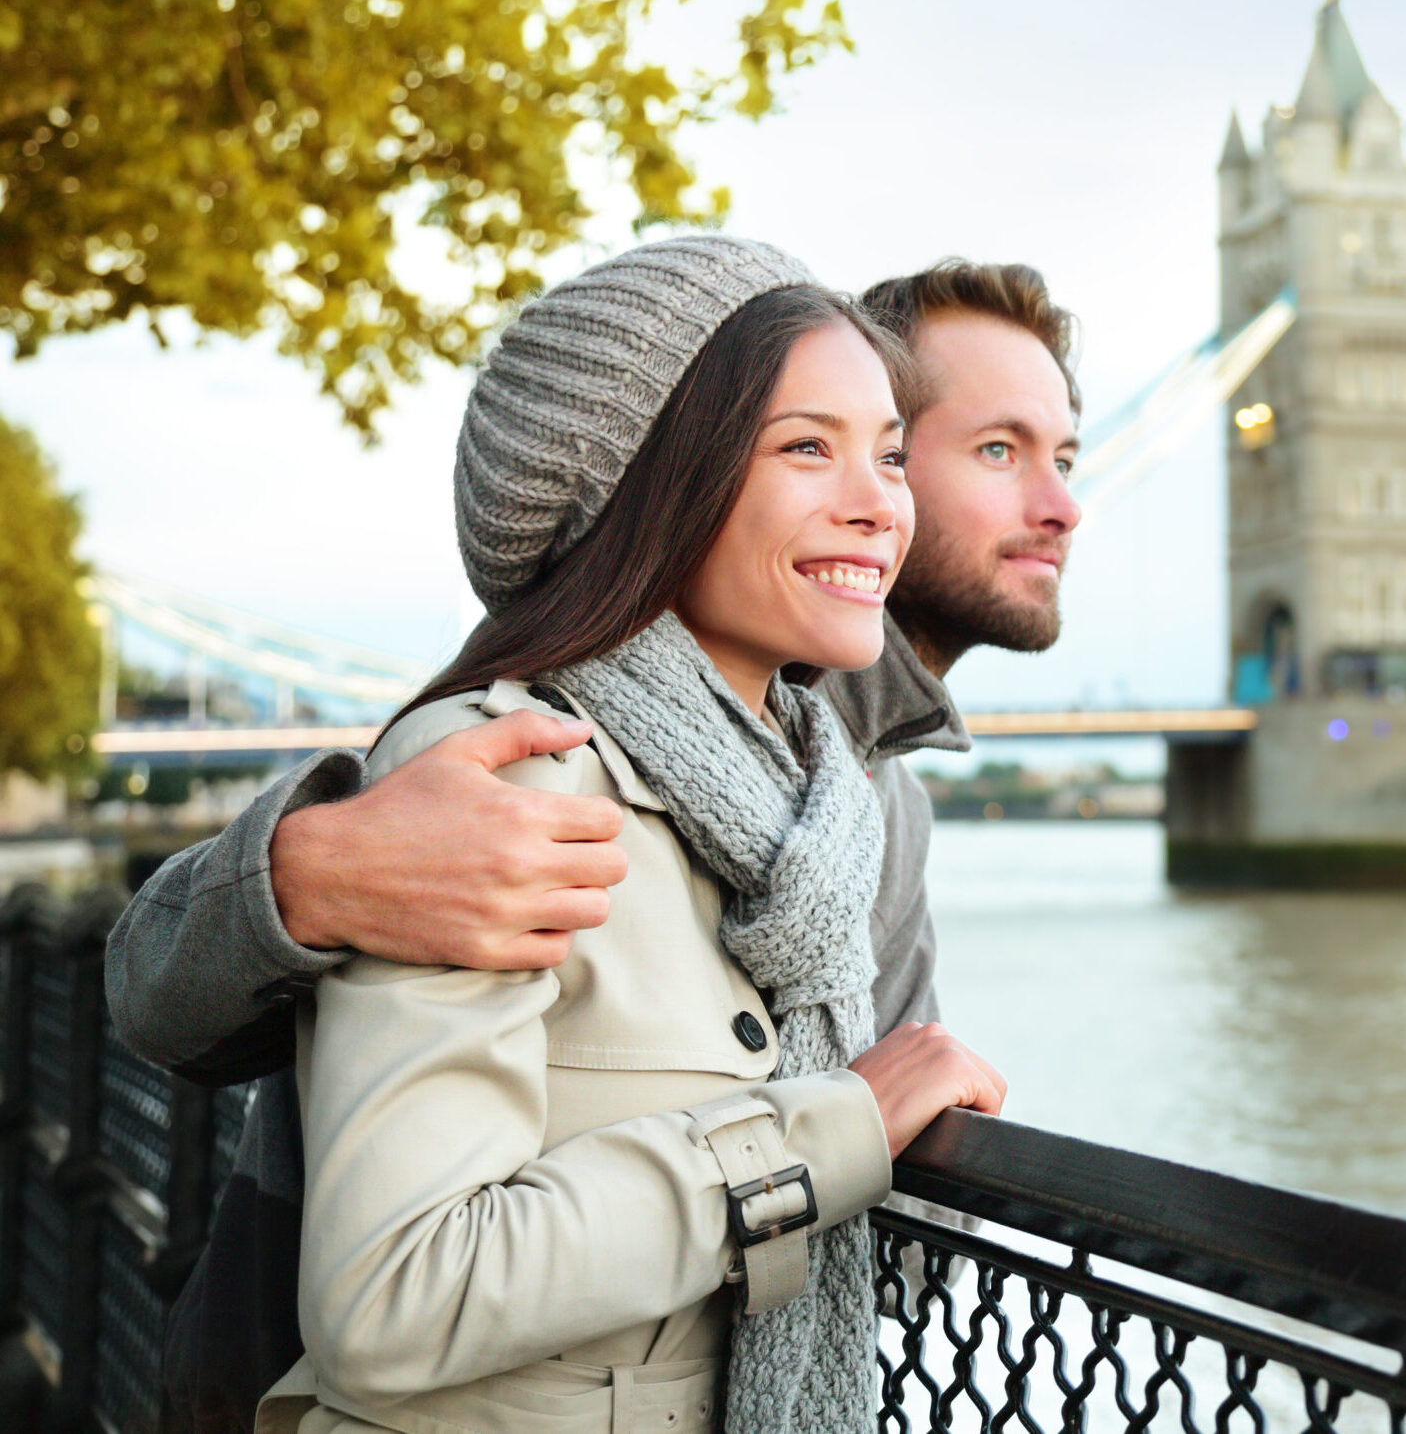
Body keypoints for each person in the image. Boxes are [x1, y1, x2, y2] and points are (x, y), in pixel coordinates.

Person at [105, 255, 1086, 1434]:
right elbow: (162, 1006)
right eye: (992, 449)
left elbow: (895, 1207)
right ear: (660, 472)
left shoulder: (854, 800)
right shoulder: (522, 756)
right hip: (290, 1356)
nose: (1059, 504)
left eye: (881, 448)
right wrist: (306, 874)